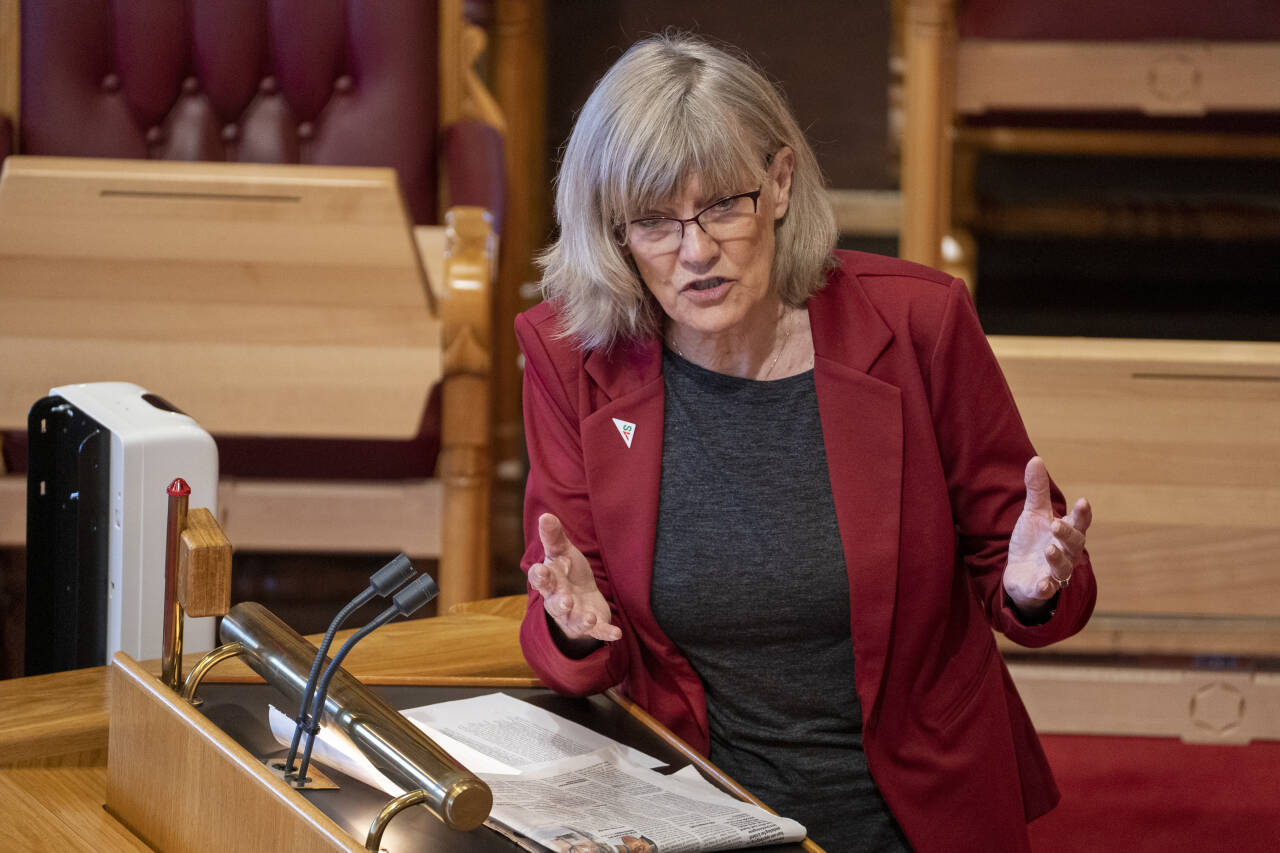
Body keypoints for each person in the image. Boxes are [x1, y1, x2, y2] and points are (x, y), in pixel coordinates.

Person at [516, 32, 1095, 853]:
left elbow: (1035, 581)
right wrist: (574, 624)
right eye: (653, 221)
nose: (695, 250)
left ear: (780, 183)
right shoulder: (574, 358)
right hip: (694, 814)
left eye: (722, 204)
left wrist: (1034, 583)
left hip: (908, 813)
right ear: (613, 232)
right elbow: (574, 635)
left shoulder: (916, 324)